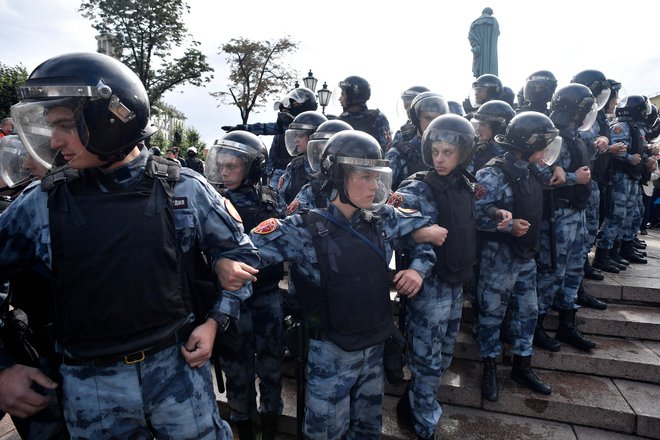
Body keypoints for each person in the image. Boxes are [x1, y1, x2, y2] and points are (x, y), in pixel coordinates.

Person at [0, 52, 260, 439]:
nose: (54, 140)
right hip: (93, 388)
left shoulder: (183, 190)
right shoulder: (42, 202)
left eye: (66, 125)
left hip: (177, 371)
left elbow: (241, 254)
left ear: (111, 121)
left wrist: (214, 322)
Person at [250, 130, 446, 440]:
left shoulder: (382, 219)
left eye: (377, 178)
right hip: (331, 351)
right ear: (339, 177)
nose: (375, 187)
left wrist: (418, 268)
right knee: (326, 430)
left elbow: (427, 229)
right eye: (365, 178)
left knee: (368, 428)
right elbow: (244, 253)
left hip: (374, 343)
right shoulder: (303, 229)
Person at [392, 114, 479, 440]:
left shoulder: (463, 184)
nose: (440, 159)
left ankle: (412, 403)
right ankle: (425, 423)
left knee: (441, 357)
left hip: (455, 283)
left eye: (449, 152)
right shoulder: (418, 188)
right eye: (437, 151)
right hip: (430, 288)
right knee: (427, 361)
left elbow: (470, 219)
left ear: (464, 154)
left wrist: (501, 216)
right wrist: (417, 263)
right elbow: (402, 228)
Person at [205, 131, 287, 440]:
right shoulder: (211, 200)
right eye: (221, 165)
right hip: (231, 302)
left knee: (271, 367)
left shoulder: (269, 200)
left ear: (251, 168)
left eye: (233, 166)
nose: (224, 172)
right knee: (237, 372)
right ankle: (244, 429)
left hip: (265, 298)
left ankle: (269, 428)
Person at [474, 112, 559, 402]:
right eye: (542, 145)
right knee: (491, 314)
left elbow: (552, 176)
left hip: (525, 256)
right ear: (527, 143)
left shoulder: (532, 168)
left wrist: (564, 172)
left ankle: (522, 364)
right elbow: (472, 213)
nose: (546, 151)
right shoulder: (492, 173)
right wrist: (507, 224)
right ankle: (489, 366)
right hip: (498, 256)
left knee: (528, 311)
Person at [534, 84, 598, 353]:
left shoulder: (573, 134)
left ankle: (566, 323)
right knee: (552, 272)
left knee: (573, 269)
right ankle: (534, 326)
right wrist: (575, 178)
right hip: (558, 215)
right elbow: (541, 174)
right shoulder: (552, 135)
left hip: (576, 213)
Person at [223, 87, 319, 189]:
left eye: (296, 104)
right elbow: (264, 128)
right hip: (283, 171)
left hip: (309, 172)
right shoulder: (284, 127)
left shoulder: (318, 126)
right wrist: (242, 128)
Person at [286, 119, 354, 214]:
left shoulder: (362, 184)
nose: (321, 151)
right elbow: (291, 220)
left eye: (326, 146)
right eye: (320, 146)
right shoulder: (313, 188)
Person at [386, 92, 449, 190]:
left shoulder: (451, 154)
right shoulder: (398, 154)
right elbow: (380, 190)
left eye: (437, 119)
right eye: (428, 118)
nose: (433, 123)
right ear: (416, 119)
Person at [278, 111, 327, 204]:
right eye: (295, 136)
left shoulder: (330, 167)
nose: (296, 140)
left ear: (313, 136)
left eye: (300, 136)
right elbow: (281, 200)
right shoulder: (295, 166)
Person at [337, 75, 392, 153]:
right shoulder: (340, 121)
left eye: (343, 94)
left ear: (353, 94)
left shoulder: (376, 118)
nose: (340, 98)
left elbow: (385, 151)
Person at [467, 99, 515, 174]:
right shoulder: (477, 150)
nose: (478, 129)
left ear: (498, 127)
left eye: (483, 124)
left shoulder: (513, 154)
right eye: (478, 124)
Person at [468, 7, 500, 78]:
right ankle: (491, 78)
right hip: (490, 49)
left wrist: (475, 45)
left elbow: (470, 36)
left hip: (479, 50)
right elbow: (497, 33)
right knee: (491, 69)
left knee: (479, 75)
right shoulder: (493, 20)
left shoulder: (474, 23)